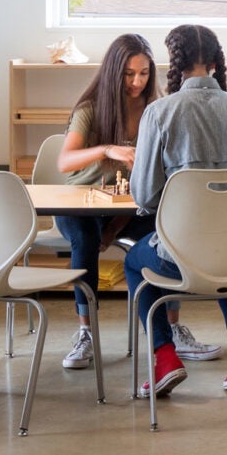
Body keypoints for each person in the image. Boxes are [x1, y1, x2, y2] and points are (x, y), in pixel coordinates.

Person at [124, 22, 227, 399]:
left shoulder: (159, 112)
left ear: (174, 61)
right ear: (214, 61)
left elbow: (144, 195)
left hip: (180, 258)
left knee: (133, 262)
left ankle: (165, 357)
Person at [54, 34, 161, 372]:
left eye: (144, 73)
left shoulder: (154, 110)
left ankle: (169, 331)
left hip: (127, 208)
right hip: (80, 205)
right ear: (114, 72)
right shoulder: (90, 109)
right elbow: (64, 162)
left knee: (165, 231)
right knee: (85, 238)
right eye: (129, 74)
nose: (137, 82)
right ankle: (85, 331)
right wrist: (106, 150)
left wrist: (114, 228)